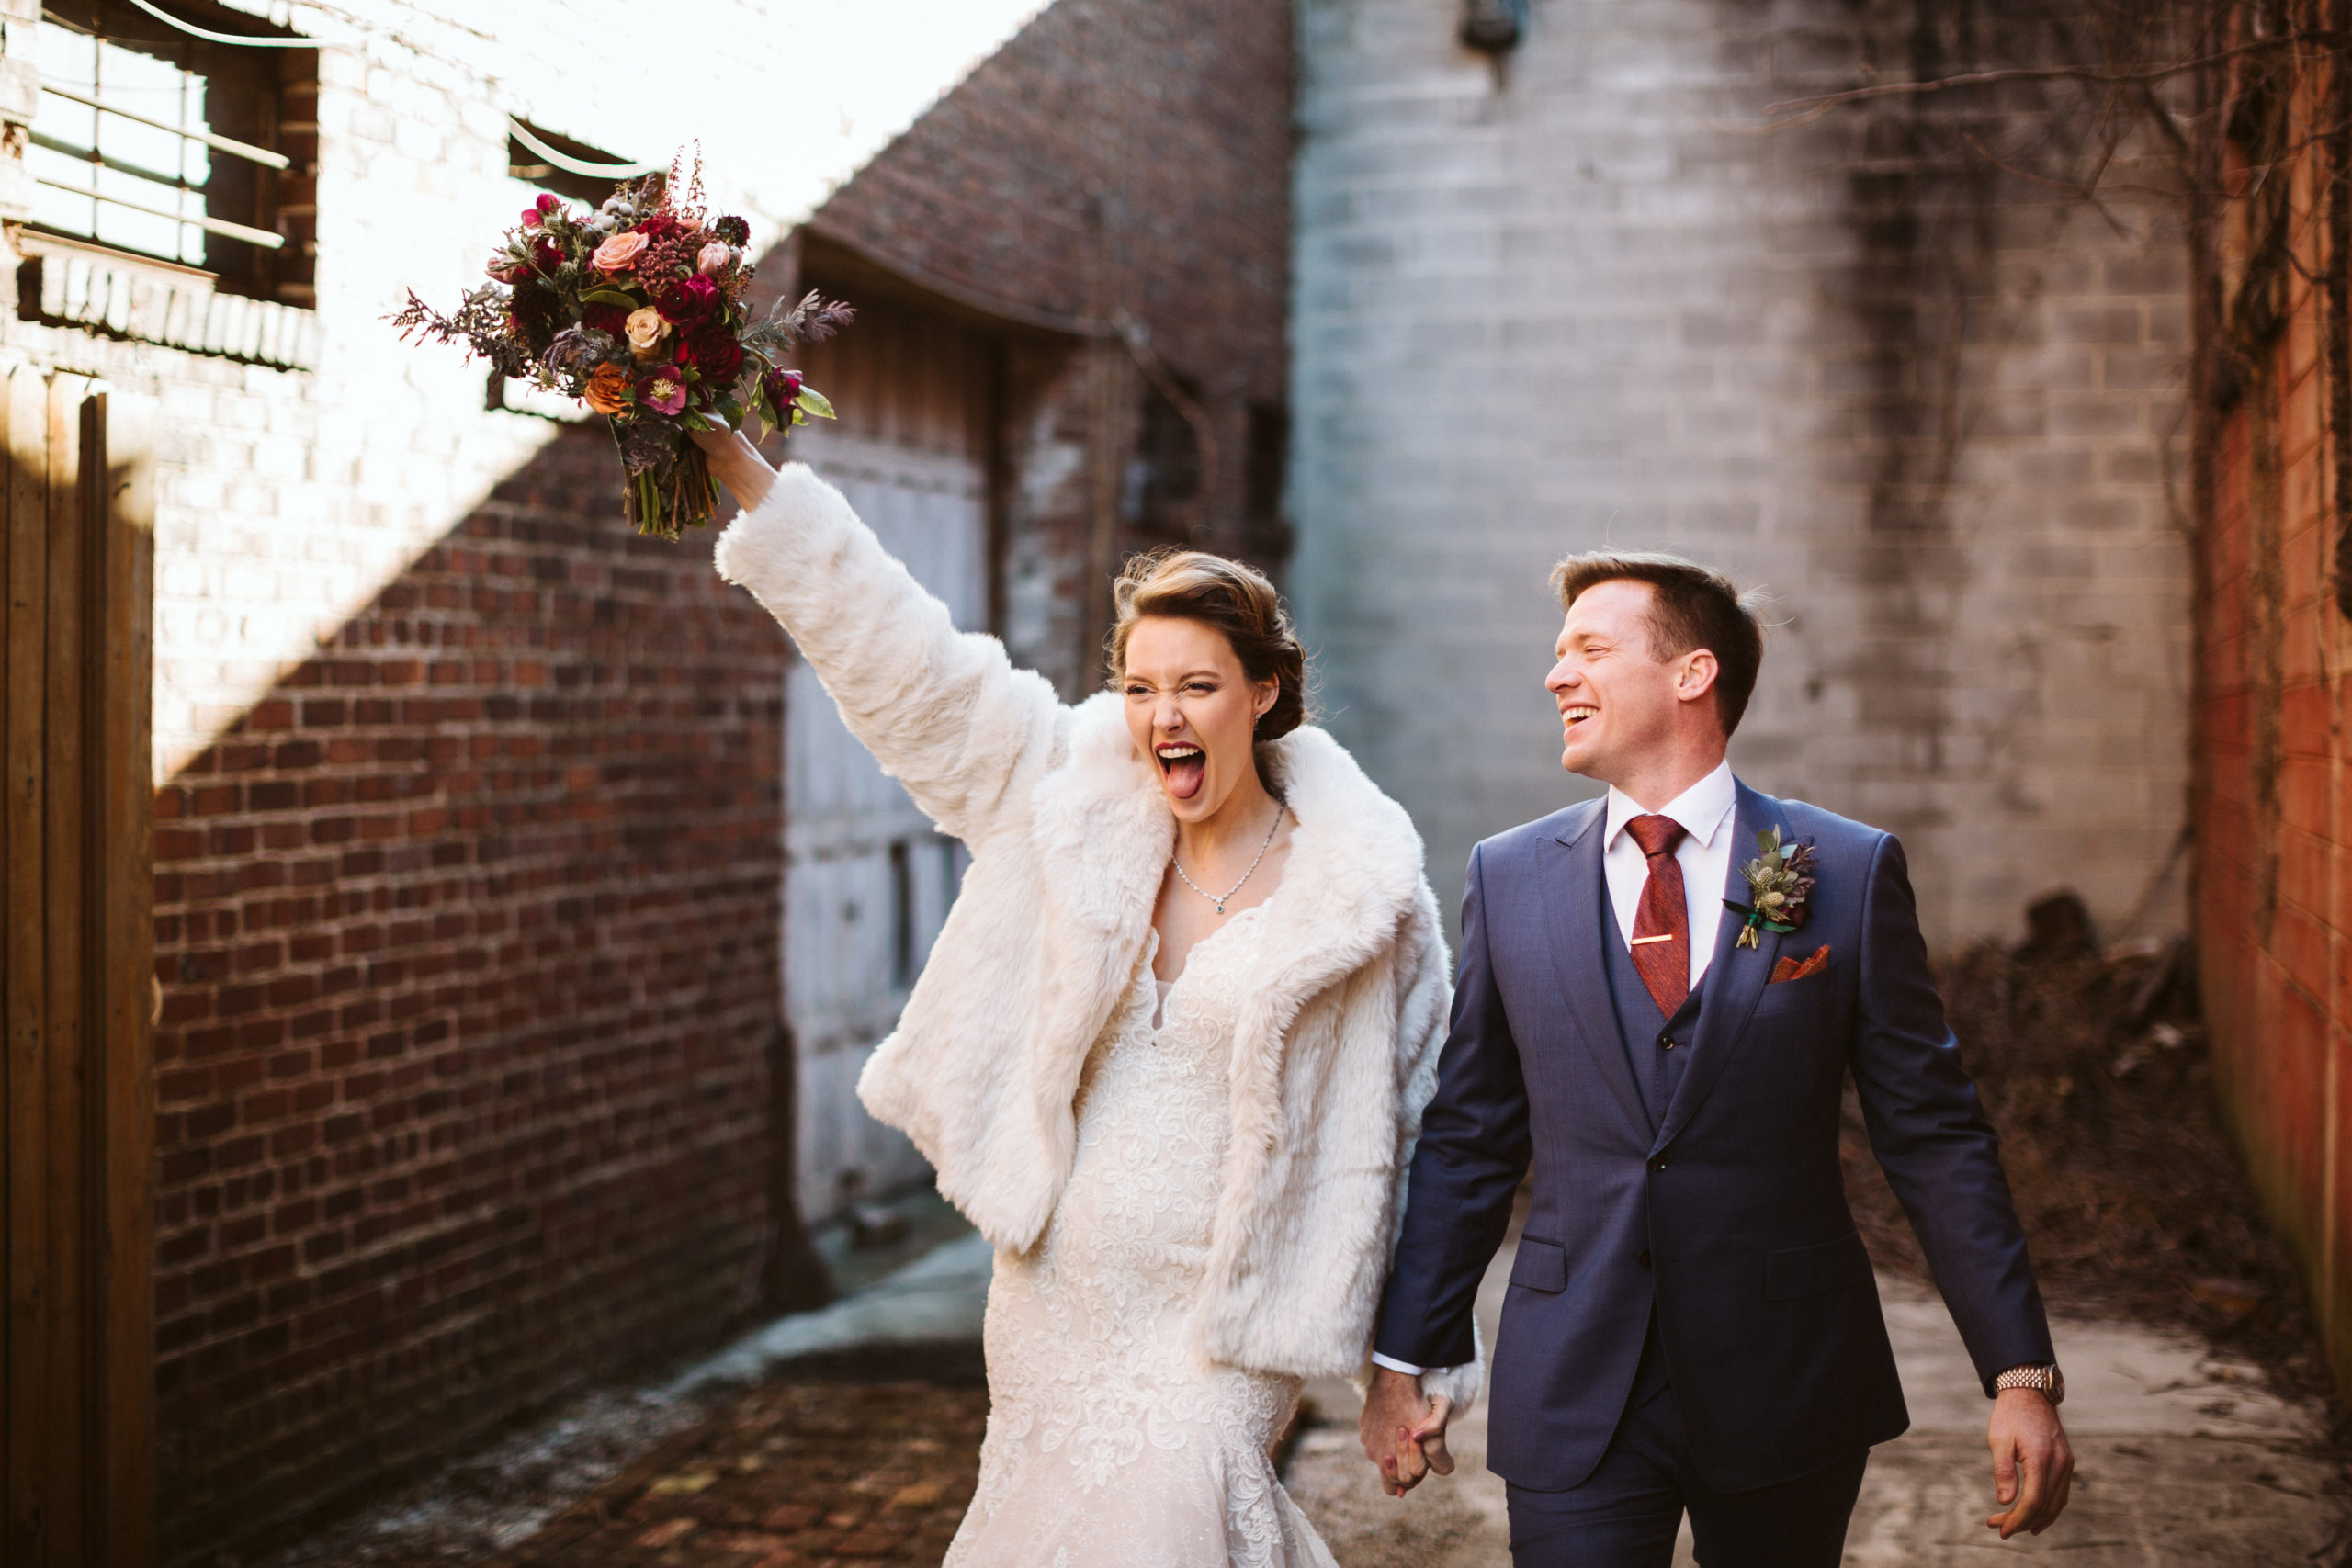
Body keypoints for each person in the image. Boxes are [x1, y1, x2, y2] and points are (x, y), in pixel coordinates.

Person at [691, 429, 1459, 1568]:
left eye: (1197, 686)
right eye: (1140, 687)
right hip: (1057, 1296)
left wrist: (1412, 1370)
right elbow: (906, 661)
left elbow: (1424, 1135)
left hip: (1224, 1326)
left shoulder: (1365, 900)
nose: (1164, 717)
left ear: (1264, 692)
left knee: (1173, 1521)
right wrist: (734, 458)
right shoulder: (1070, 799)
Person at [1359, 551, 2074, 1567]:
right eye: (1557, 655)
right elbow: (1470, 1139)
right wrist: (1403, 1359)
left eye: (1589, 651)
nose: (1556, 676)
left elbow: (1933, 1138)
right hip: (1575, 1386)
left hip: (1786, 1379)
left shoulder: (1843, 870)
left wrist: (2017, 1374)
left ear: (1692, 674)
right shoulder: (1506, 876)